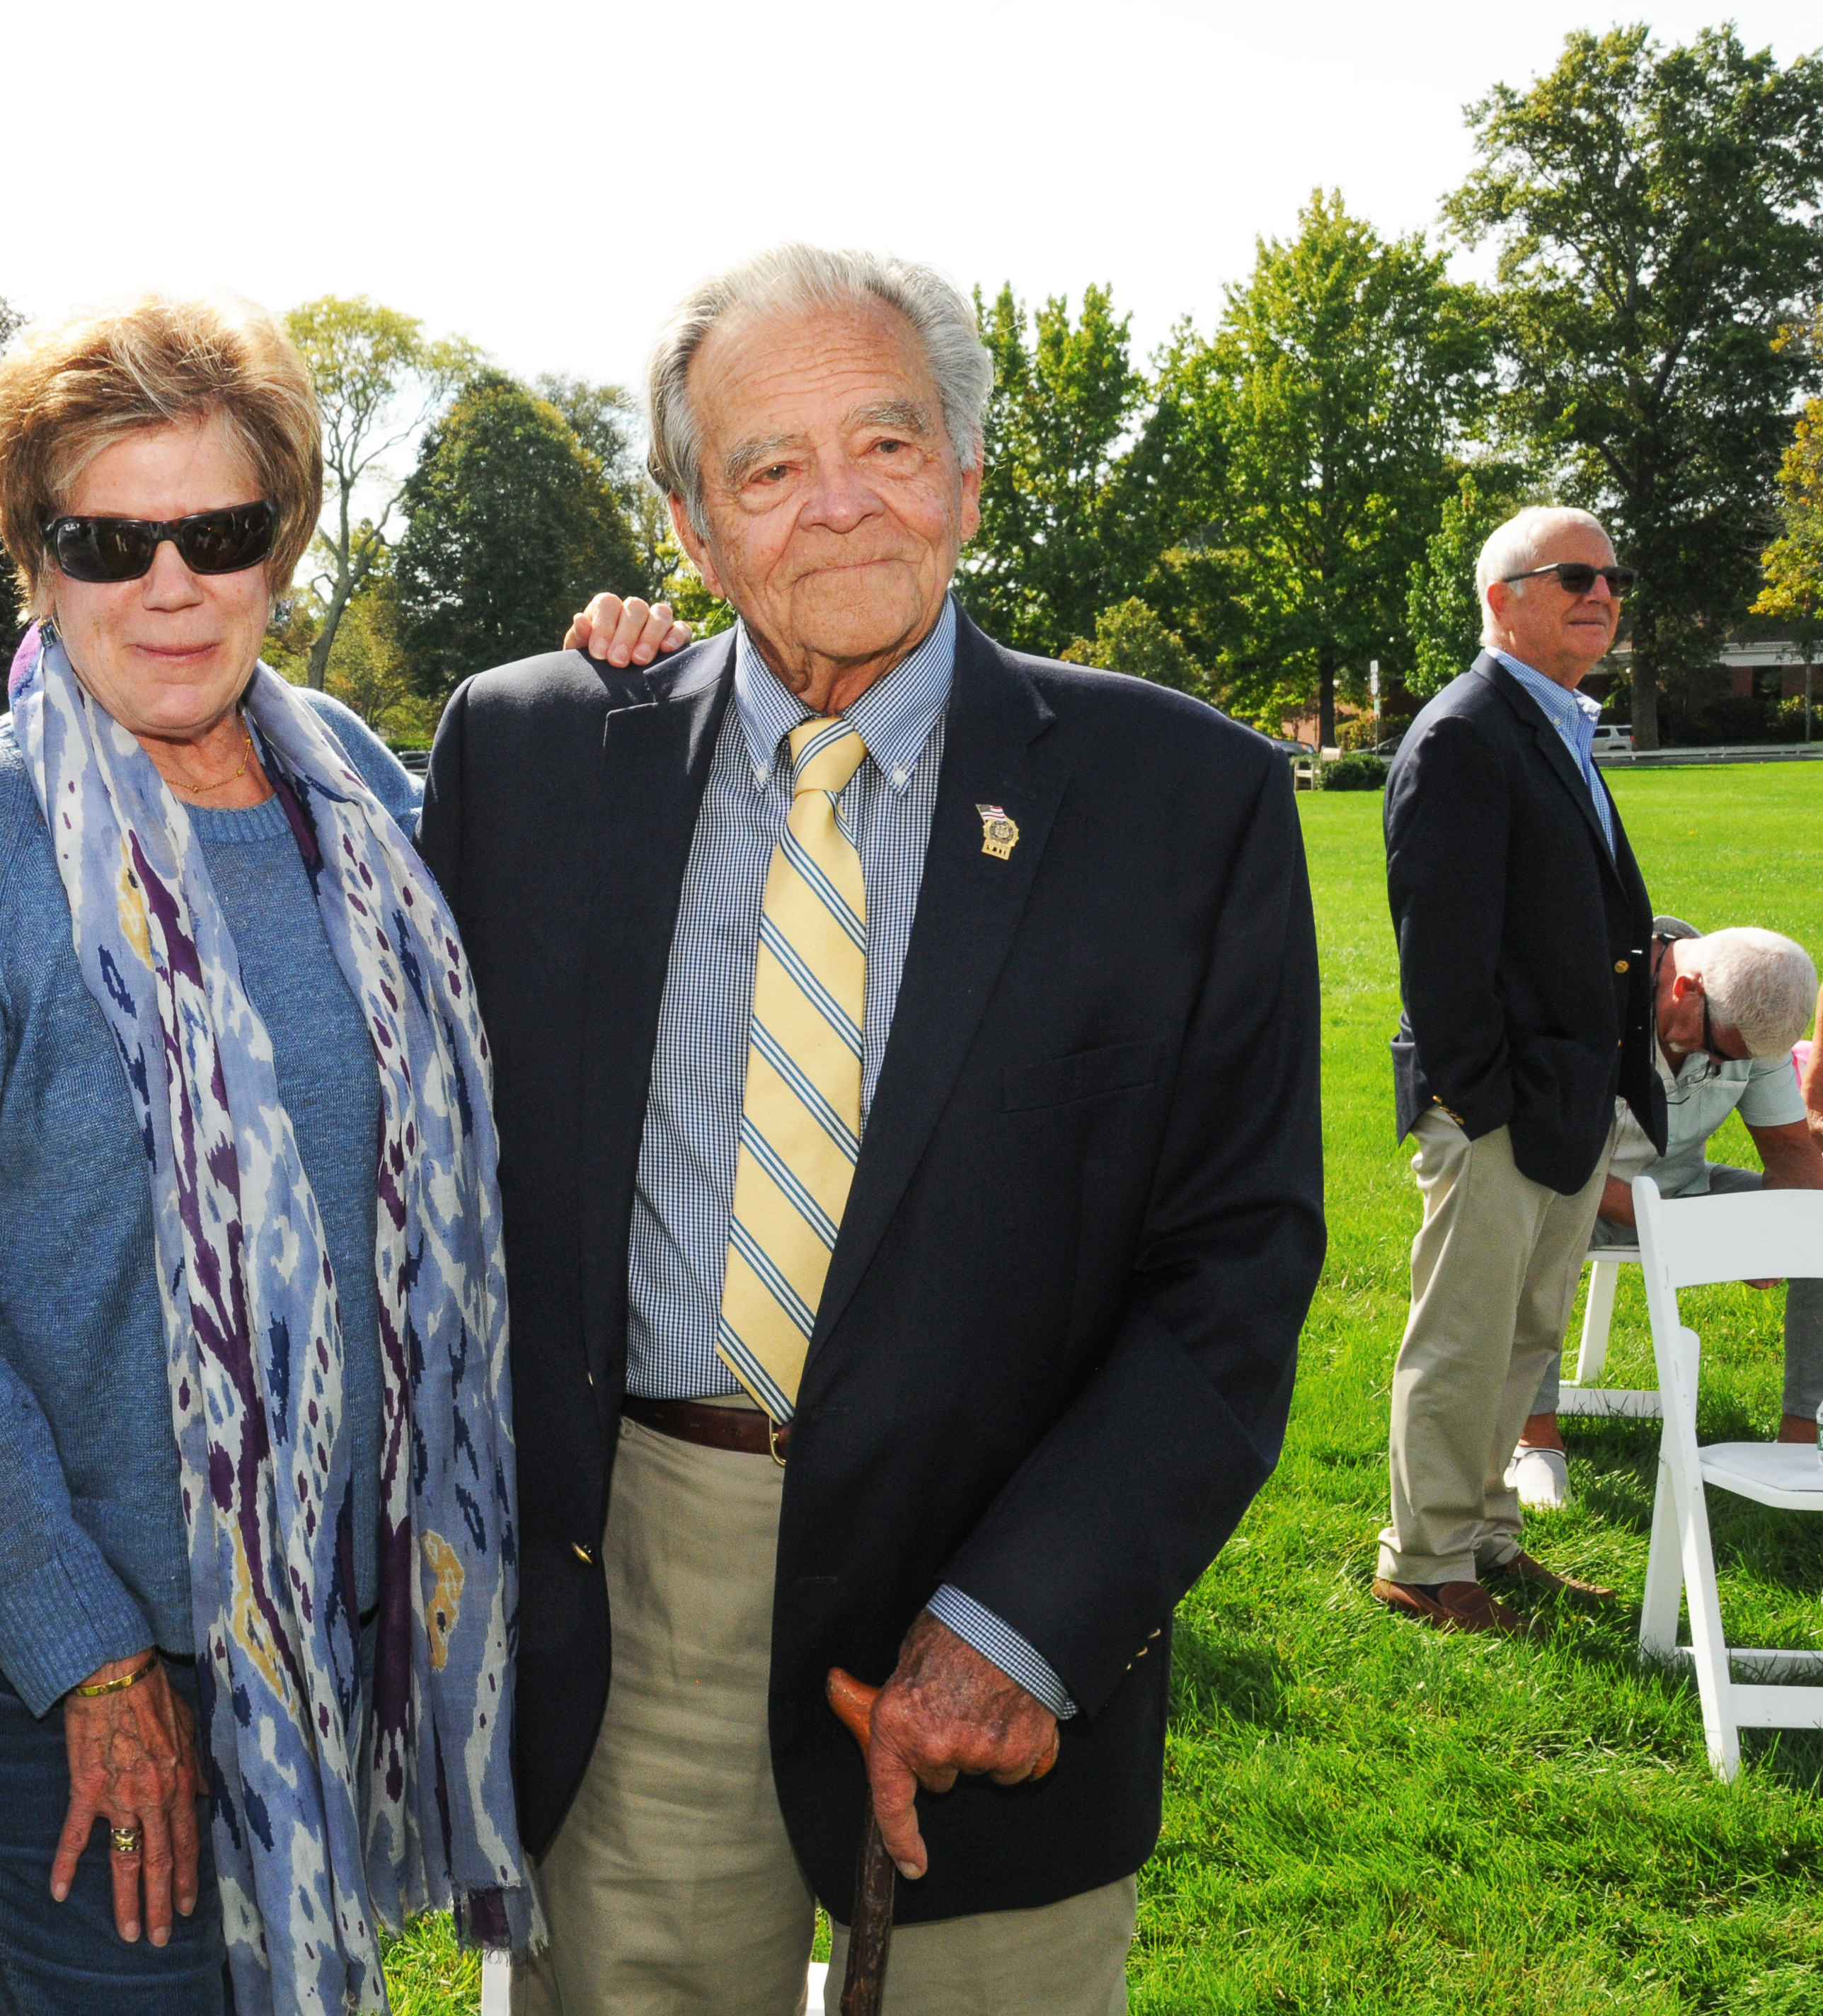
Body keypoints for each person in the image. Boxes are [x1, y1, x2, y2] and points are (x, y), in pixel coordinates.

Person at [420, 244, 1323, 2015]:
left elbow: (1231, 1263)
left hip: (1002, 1563)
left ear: (967, 476)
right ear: (689, 527)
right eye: (766, 467)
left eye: (886, 445)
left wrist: (1022, 1617)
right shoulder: (529, 755)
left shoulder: (1182, 797)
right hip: (642, 1578)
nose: (837, 505)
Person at [0, 293, 530, 2016]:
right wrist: (92, 1659)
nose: (169, 584)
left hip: (311, 1622)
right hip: (55, 1659)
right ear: (34, 561)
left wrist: (631, 667)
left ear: (278, 542)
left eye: (216, 532)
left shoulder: (351, 791)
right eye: (105, 540)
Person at [1379, 505, 1660, 1634]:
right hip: (1499, 1103)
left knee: (1524, 1335)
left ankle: (1485, 1534)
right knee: (1463, 1338)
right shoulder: (1465, 734)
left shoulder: (1552, 723)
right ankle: (1424, 1559)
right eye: (1575, 576)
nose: (1604, 595)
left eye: (1614, 578)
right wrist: (1480, 1103)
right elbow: (1440, 948)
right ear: (1501, 599)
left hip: (1567, 1095)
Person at [1505, 922, 1823, 1505]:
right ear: (1687, 990)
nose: (1719, 1062)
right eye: (1719, 1051)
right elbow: (1548, 1151)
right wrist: (1683, 1227)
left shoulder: (1742, 1019)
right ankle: (1535, 1438)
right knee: (1531, 1221)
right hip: (1570, 1187)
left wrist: (1783, 1235)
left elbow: (1791, 1153)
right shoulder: (1590, 991)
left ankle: (1802, 1435)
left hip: (1681, 1190)